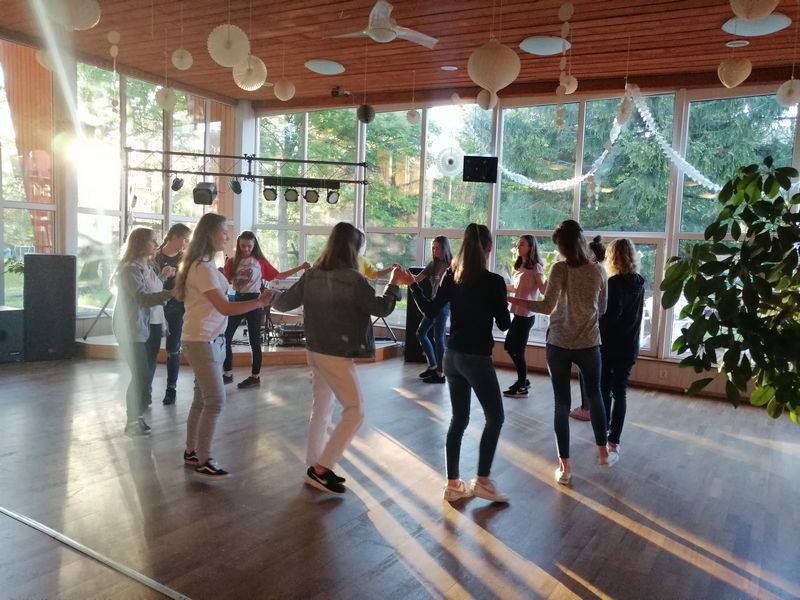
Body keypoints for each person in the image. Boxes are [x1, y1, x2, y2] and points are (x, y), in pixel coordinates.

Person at [272, 222, 403, 495]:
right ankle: (322, 469)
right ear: (353, 248)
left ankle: (314, 465)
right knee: (356, 411)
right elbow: (381, 308)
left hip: (314, 350)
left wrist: (269, 296)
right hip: (336, 354)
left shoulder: (312, 275)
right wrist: (394, 284)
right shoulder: (353, 280)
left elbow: (283, 303)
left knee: (322, 407)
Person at [405, 223, 511, 503]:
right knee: (495, 418)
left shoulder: (453, 275)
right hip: (476, 358)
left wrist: (412, 286)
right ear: (489, 247)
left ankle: (453, 485)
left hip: (452, 357)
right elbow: (504, 323)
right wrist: (503, 301)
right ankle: (483, 481)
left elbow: (430, 309)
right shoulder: (494, 281)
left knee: (459, 419)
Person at [509, 220, 615, 486]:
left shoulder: (559, 269)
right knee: (595, 396)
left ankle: (565, 468)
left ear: (563, 246)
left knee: (561, 404)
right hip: (589, 343)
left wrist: (513, 299)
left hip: (558, 344)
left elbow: (546, 307)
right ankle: (603, 453)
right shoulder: (598, 271)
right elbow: (603, 309)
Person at [174, 214, 272, 479]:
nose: (228, 236)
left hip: (208, 338)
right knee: (215, 400)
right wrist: (259, 302)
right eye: (223, 232)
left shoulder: (206, 265)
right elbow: (225, 307)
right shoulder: (203, 268)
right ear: (210, 234)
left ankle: (192, 450)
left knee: (201, 398)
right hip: (201, 339)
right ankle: (204, 459)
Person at [222, 230, 309, 389]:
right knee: (226, 337)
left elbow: (279, 276)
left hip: (255, 301)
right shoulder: (232, 261)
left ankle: (255, 376)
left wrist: (301, 267)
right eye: (243, 246)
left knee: (254, 341)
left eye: (249, 246)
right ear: (238, 245)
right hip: (238, 301)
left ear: (254, 246)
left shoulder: (259, 262)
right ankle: (227, 373)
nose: (246, 249)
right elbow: (224, 280)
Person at [112, 227, 173, 437]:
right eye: (152, 241)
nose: (156, 244)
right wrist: (171, 293)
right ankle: (132, 421)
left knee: (144, 375)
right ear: (139, 243)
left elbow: (151, 291)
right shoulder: (129, 269)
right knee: (140, 375)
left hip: (147, 326)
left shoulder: (146, 266)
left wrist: (163, 280)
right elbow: (143, 298)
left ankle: (136, 417)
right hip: (131, 328)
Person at [599, 238, 645, 455]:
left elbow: (612, 316)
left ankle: (604, 429)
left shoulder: (614, 283)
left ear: (612, 257)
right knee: (620, 392)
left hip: (610, 345)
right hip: (630, 346)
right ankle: (614, 440)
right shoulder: (640, 282)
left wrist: (597, 320)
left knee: (604, 389)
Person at [153, 223, 192, 405]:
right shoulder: (155, 256)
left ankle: (171, 388)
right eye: (184, 239)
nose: (186, 243)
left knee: (173, 347)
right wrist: (163, 276)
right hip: (155, 304)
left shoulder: (185, 258)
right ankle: (145, 389)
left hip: (177, 305)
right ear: (174, 236)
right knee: (151, 346)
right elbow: (149, 283)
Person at [503, 235, 546, 397]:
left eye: (522, 244)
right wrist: (499, 286)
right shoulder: (521, 266)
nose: (518, 246)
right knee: (509, 347)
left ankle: (522, 386)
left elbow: (543, 290)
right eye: (518, 244)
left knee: (518, 351)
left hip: (526, 316)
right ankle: (523, 380)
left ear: (530, 247)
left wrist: (551, 282)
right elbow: (516, 288)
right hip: (517, 313)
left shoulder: (536, 268)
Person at [571, 235, 606, 420]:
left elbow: (601, 307)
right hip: (592, 332)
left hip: (589, 333)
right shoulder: (601, 272)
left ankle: (587, 409)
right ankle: (588, 408)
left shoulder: (596, 272)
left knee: (588, 378)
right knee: (590, 377)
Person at [415, 236, 453, 384]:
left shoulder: (451, 265)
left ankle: (441, 373)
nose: (435, 250)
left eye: (438, 247)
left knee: (438, 338)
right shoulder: (433, 264)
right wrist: (403, 276)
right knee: (421, 333)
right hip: (433, 304)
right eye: (433, 248)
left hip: (443, 306)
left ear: (445, 248)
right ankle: (433, 366)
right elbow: (417, 278)